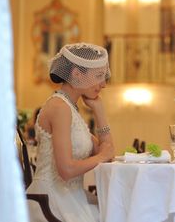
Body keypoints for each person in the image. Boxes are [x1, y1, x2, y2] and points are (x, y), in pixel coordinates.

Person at [26, 43, 115, 222]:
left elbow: (108, 152)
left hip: (71, 197)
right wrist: (100, 157)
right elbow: (66, 170)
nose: (103, 84)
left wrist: (100, 111)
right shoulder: (59, 107)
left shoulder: (70, 108)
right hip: (52, 200)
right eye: (98, 76)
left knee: (118, 211)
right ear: (76, 74)